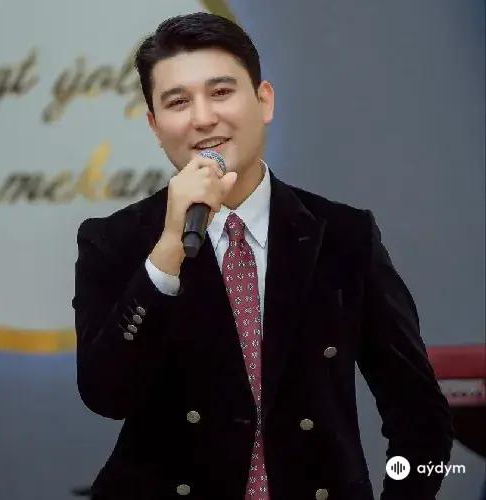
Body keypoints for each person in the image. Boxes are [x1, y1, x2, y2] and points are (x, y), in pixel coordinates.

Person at [72, 12, 453, 500]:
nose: (203, 117)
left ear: (264, 100)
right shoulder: (115, 241)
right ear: (154, 124)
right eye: (178, 102)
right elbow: (106, 395)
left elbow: (419, 414)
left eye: (221, 92)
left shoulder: (343, 236)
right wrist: (167, 250)